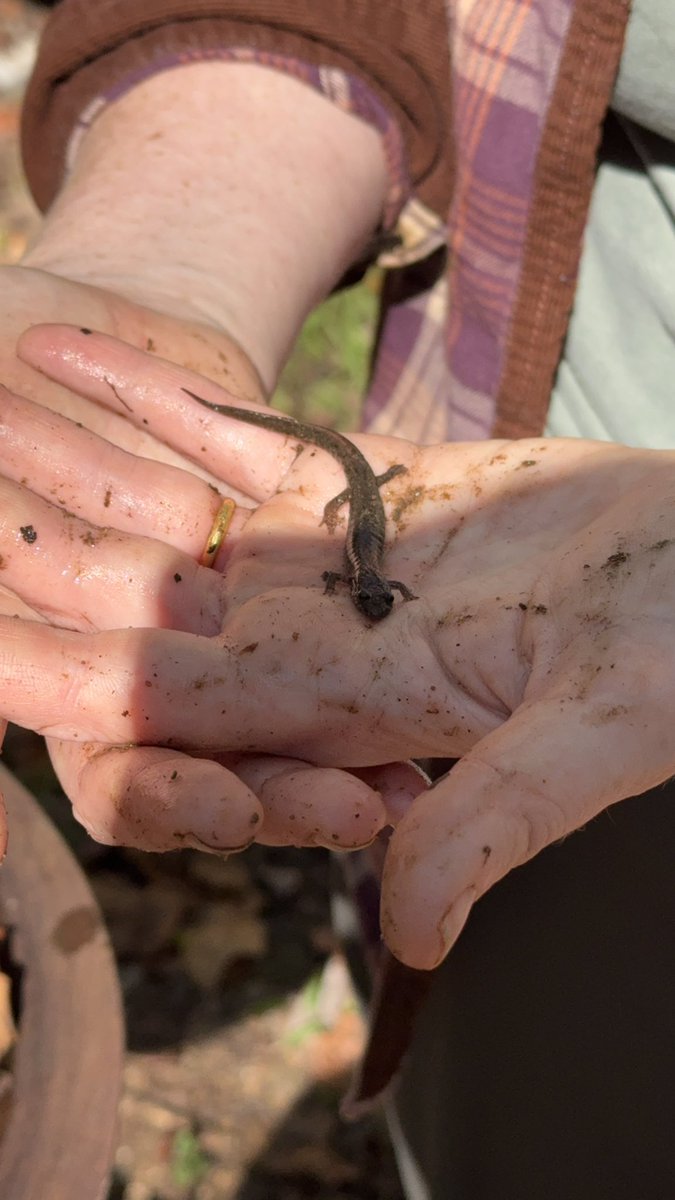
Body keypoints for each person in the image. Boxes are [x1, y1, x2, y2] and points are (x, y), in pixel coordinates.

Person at [0, 1, 673, 1196]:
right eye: (374, 599)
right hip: (569, 508)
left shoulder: (379, 576)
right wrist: (167, 269)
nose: (372, 601)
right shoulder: (369, 566)